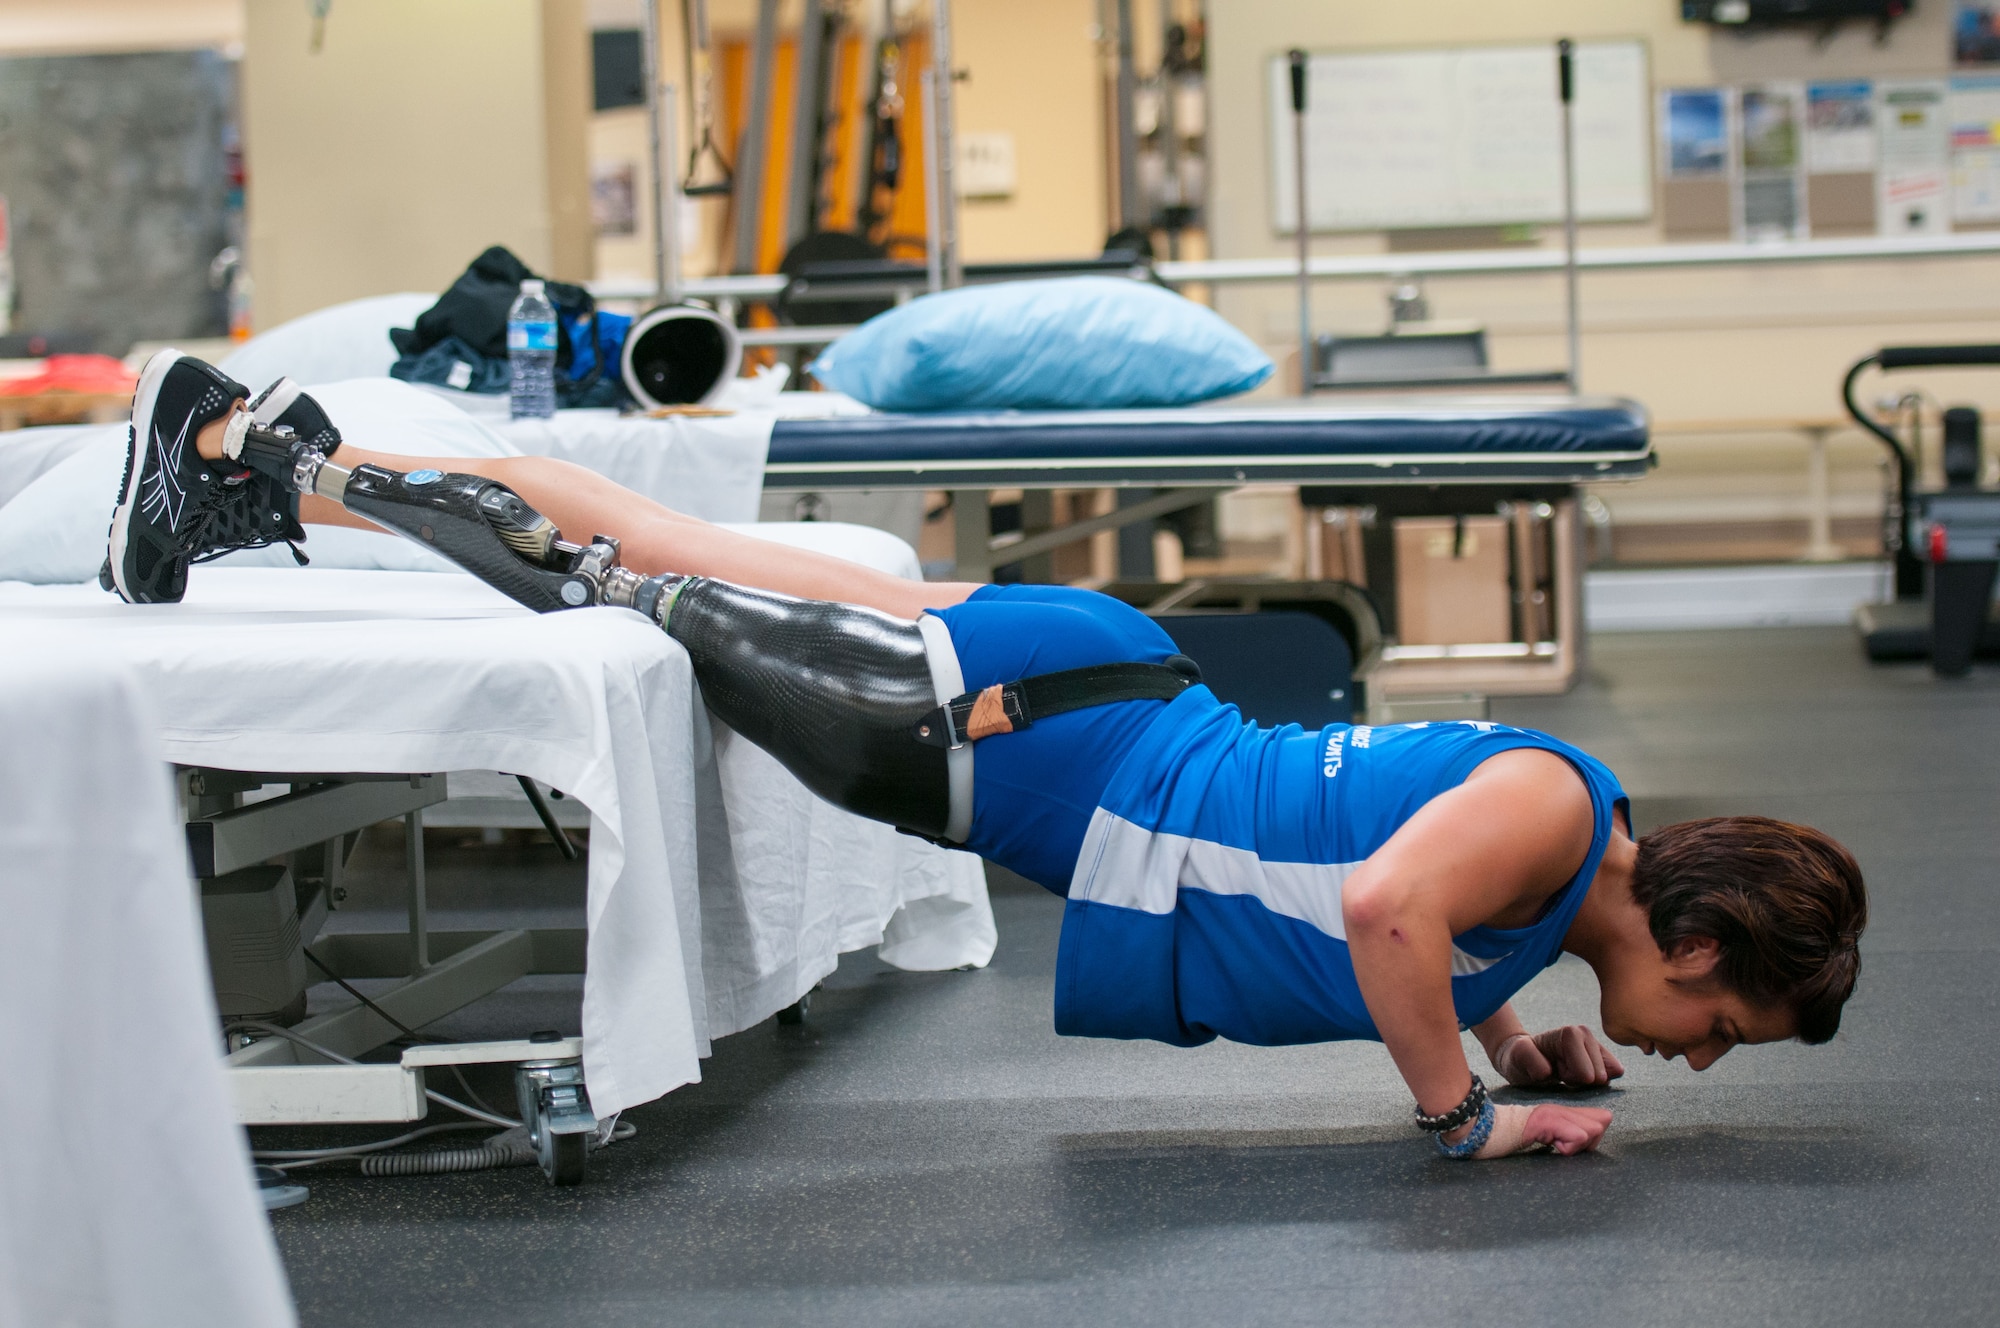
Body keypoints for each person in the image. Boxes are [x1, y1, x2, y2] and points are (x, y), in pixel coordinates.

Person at [106, 351, 1868, 1160]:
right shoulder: (1554, 829)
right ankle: (245, 453)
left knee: (654, 542)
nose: (1703, 1059)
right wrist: (1458, 1113)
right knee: (618, 579)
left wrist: (1505, 1016)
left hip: (1085, 693)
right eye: (1727, 1030)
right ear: (1700, 950)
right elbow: (1391, 905)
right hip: (1033, 734)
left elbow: (1429, 901)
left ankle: (279, 441)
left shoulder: (1568, 858)